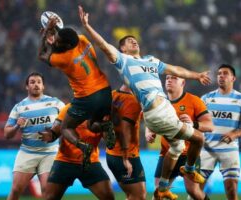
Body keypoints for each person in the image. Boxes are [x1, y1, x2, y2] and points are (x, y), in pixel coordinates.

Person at [79, 5, 211, 199]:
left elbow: (175, 70)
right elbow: (104, 46)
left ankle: (163, 187)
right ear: (122, 48)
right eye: (128, 41)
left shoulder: (151, 60)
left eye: (134, 40)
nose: (133, 41)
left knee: (176, 148)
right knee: (199, 138)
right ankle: (189, 169)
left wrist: (197, 74)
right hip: (157, 111)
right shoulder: (123, 61)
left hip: (163, 111)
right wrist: (87, 27)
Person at [38, 16, 116, 161]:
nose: (56, 41)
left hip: (87, 96)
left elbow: (42, 55)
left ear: (66, 46)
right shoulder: (82, 39)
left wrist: (45, 34)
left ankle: (83, 146)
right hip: (105, 90)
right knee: (92, 125)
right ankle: (106, 126)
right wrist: (55, 30)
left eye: (58, 40)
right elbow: (67, 38)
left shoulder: (64, 59)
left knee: (66, 128)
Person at [146, 75, 214, 200]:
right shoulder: (159, 101)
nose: (169, 80)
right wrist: (148, 131)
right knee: (158, 194)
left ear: (183, 82)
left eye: (174, 78)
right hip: (167, 154)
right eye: (167, 78)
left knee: (193, 191)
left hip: (189, 154)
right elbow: (148, 118)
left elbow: (209, 126)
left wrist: (193, 124)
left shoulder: (194, 101)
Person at [200, 64, 241, 200]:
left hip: (229, 150)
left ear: (233, 78)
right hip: (206, 149)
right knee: (195, 190)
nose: (221, 76)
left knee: (231, 190)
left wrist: (235, 134)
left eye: (225, 73)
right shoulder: (206, 98)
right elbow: (196, 122)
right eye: (219, 73)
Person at [4, 72, 65, 200]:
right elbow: (6, 133)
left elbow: (69, 121)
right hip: (28, 153)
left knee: (48, 192)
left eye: (39, 82)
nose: (36, 84)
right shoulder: (19, 107)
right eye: (32, 82)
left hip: (50, 153)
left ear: (43, 86)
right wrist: (16, 126)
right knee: (15, 190)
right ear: (27, 87)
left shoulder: (56, 103)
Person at [39, 103, 115, 200]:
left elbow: (109, 142)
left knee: (108, 197)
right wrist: (51, 135)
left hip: (90, 161)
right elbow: (56, 130)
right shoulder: (70, 108)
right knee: (49, 198)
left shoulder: (104, 113)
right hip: (65, 161)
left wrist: (108, 129)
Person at [106, 84, 146, 200]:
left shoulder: (112, 95)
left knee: (132, 195)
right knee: (138, 196)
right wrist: (126, 158)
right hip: (126, 155)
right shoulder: (131, 100)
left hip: (112, 153)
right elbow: (125, 130)